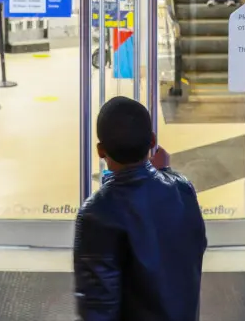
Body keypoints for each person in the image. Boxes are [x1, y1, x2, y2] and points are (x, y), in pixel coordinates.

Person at [74, 97, 207, 321]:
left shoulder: (97, 213)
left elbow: (98, 307)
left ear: (100, 150)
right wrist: (165, 172)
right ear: (152, 140)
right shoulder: (183, 190)